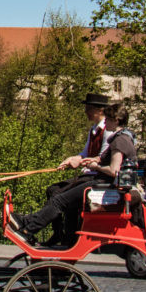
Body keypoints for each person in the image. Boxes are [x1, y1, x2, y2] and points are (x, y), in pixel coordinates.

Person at [9, 103, 136, 244]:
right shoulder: (122, 137)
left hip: (103, 184)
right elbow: (104, 159)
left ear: (117, 120)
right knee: (59, 196)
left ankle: (28, 229)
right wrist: (89, 160)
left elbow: (114, 170)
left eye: (108, 119)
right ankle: (55, 233)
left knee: (59, 200)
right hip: (103, 182)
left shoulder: (119, 140)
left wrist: (96, 166)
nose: (105, 122)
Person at [39, 92, 112, 244]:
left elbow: (102, 157)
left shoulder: (107, 131)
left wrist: (81, 162)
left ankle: (68, 236)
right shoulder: (93, 130)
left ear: (99, 110)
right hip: (88, 174)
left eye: (89, 108)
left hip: (96, 177)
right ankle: (60, 233)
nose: (86, 112)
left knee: (59, 195)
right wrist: (72, 159)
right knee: (52, 190)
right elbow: (84, 153)